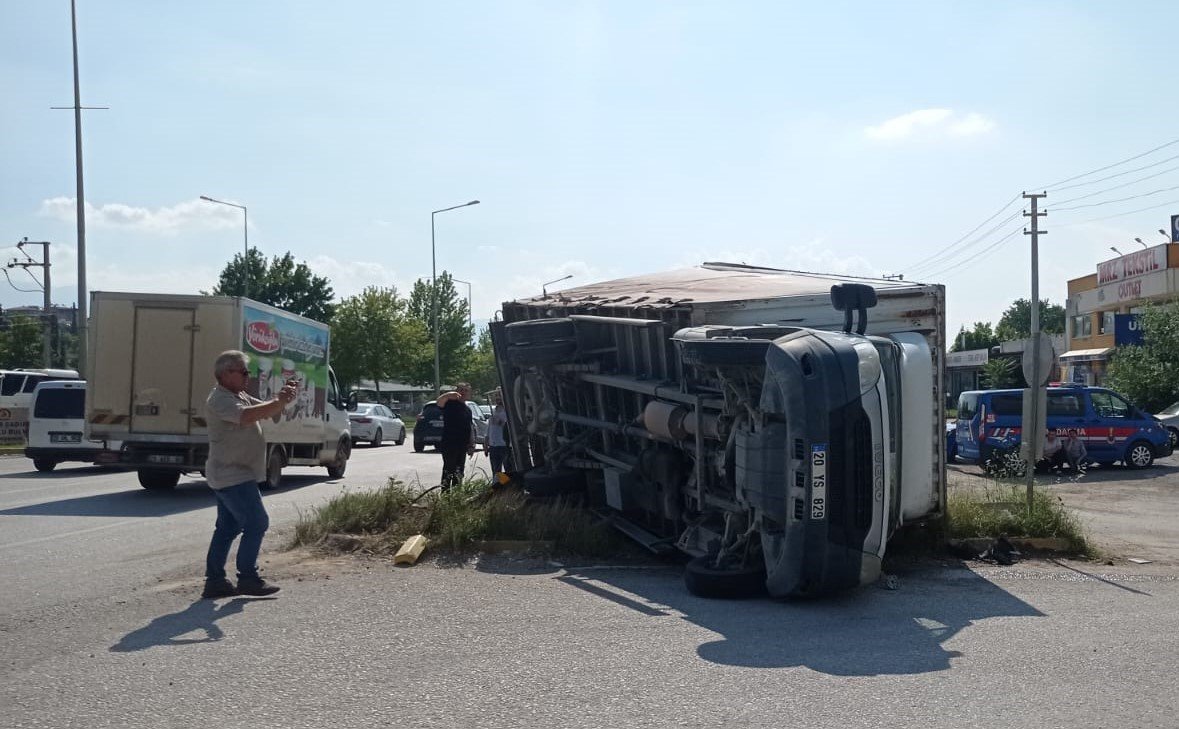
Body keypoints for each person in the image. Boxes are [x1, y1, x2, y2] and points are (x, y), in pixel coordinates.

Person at [201, 350, 296, 599]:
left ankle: (215, 582)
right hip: (231, 474)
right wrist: (276, 403)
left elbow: (268, 412)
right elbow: (246, 416)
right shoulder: (220, 399)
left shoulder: (238, 394)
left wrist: (282, 399)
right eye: (243, 372)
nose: (247, 376)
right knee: (256, 522)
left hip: (234, 472)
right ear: (226, 374)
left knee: (227, 527)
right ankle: (247, 578)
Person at [436, 382, 476, 492]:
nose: (463, 392)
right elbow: (439, 402)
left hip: (462, 445)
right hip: (449, 444)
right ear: (456, 391)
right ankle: (445, 495)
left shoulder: (468, 410)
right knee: (449, 470)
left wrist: (472, 444)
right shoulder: (449, 404)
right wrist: (448, 395)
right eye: (461, 389)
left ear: (469, 394)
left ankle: (457, 495)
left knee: (459, 472)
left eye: (466, 390)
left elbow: (470, 427)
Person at [486, 397, 511, 476]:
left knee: (509, 469)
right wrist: (486, 443)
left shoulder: (508, 411)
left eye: (500, 396)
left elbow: (510, 427)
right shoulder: (493, 411)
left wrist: (500, 422)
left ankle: (510, 486)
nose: (498, 398)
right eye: (496, 396)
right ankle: (501, 486)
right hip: (493, 445)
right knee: (497, 472)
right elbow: (489, 428)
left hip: (504, 445)